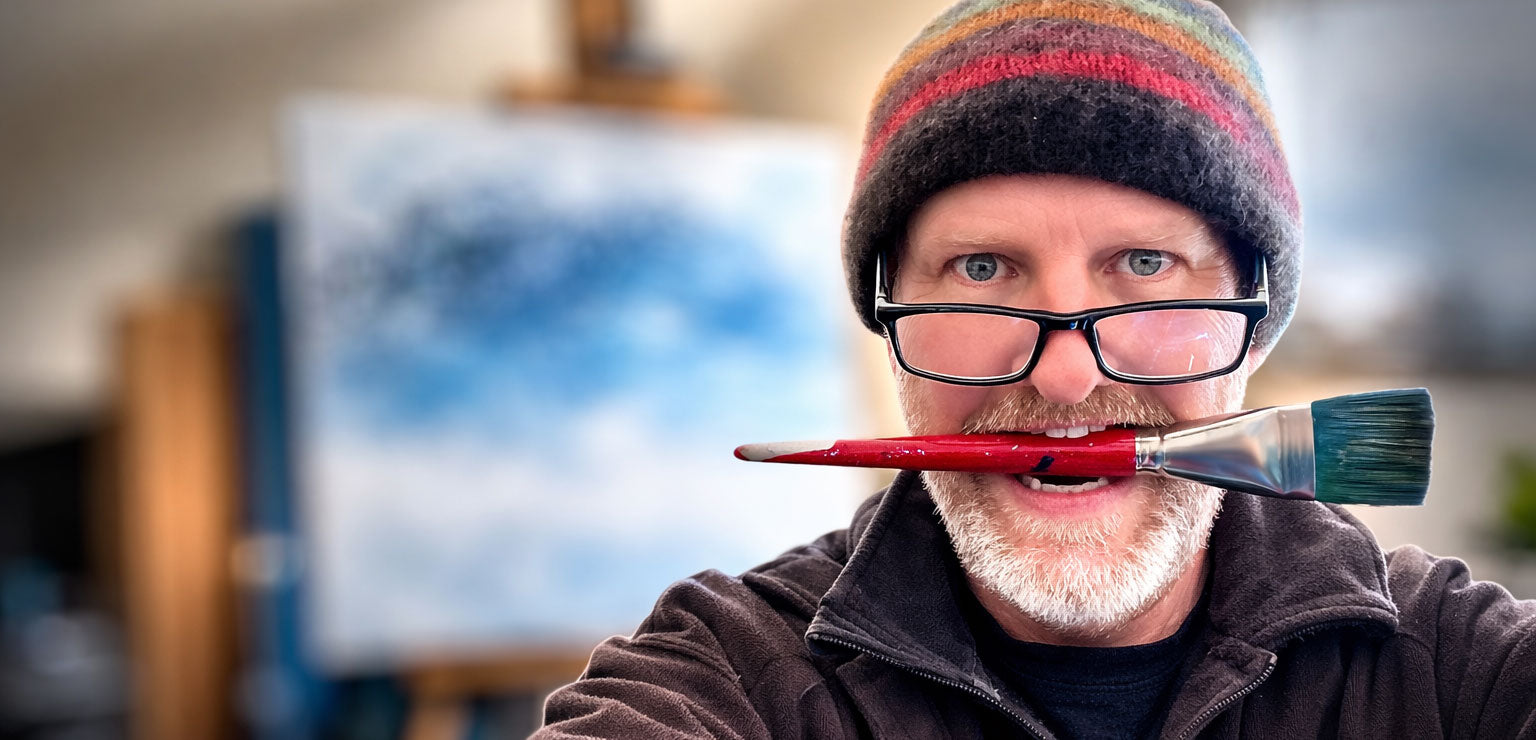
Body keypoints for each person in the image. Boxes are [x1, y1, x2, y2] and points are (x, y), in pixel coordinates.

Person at [536, 1, 1536, 737]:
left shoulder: (1459, 669)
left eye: (1145, 265)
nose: (1063, 378)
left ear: (1255, 324)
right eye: (982, 269)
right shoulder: (729, 673)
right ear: (888, 321)